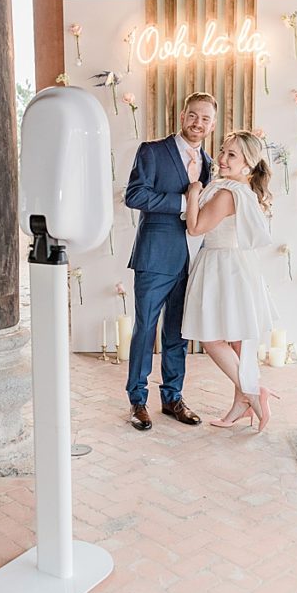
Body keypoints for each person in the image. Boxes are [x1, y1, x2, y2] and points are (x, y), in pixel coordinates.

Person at [123, 92, 216, 431]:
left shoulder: (209, 163)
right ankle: (137, 401)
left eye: (205, 119)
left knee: (177, 333)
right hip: (154, 255)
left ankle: (172, 398)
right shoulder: (153, 151)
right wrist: (183, 200)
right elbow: (135, 194)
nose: (198, 123)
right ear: (182, 116)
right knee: (146, 329)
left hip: (192, 258)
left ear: (212, 124)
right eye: (193, 115)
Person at [183, 130, 280, 430]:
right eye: (223, 151)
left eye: (232, 155)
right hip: (232, 265)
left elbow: (196, 228)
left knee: (212, 339)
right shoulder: (234, 188)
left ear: (247, 166)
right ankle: (242, 402)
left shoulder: (227, 193)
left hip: (222, 265)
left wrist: (193, 195)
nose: (222, 158)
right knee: (236, 342)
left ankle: (253, 392)